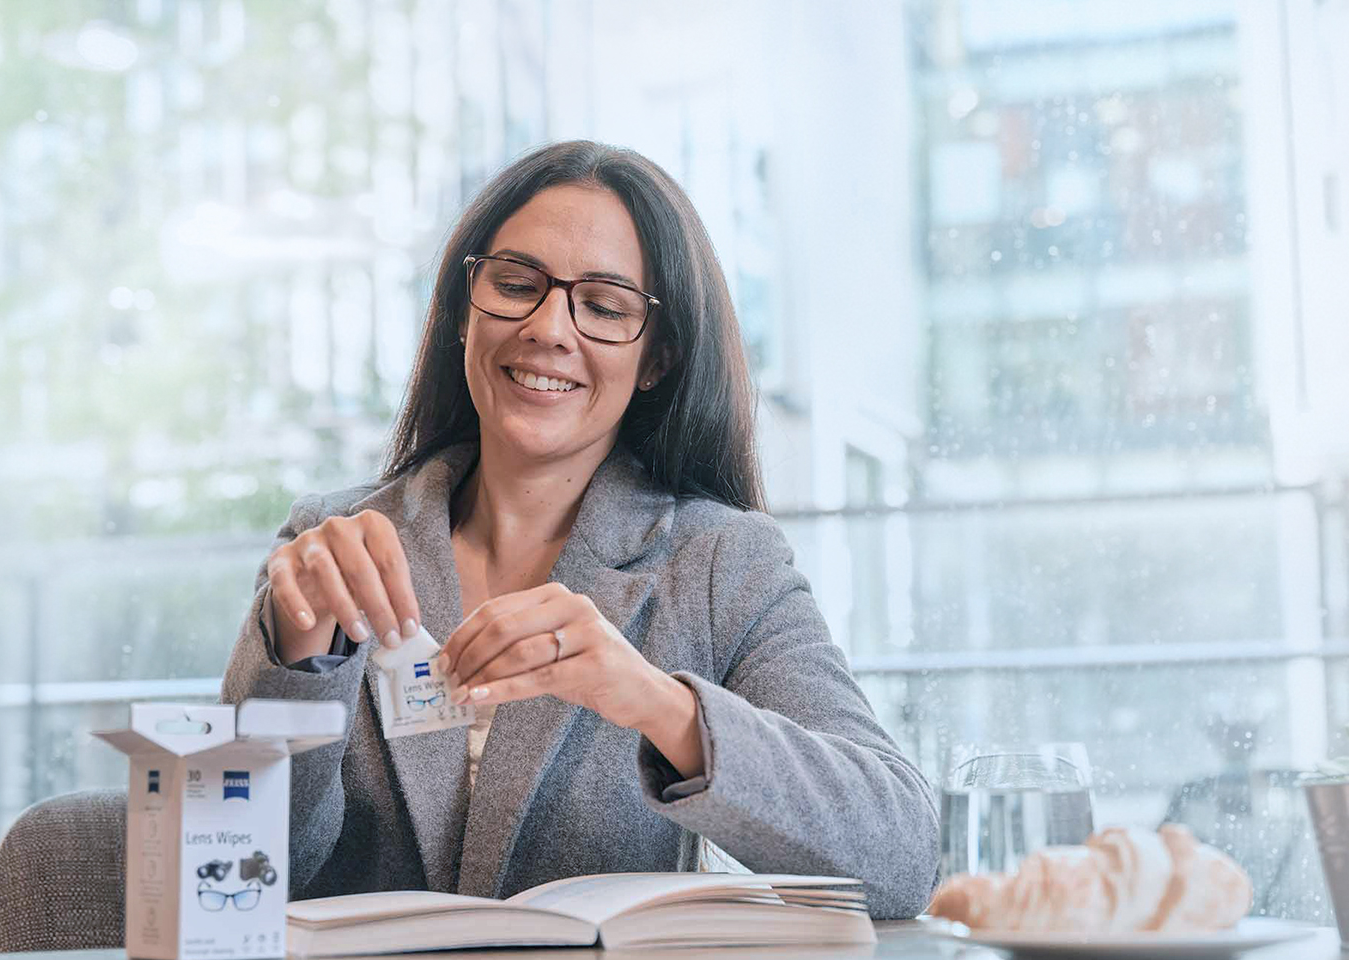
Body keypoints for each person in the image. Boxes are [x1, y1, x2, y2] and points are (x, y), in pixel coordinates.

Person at [219, 140, 938, 919]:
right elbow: (232, 865)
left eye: (603, 306)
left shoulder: (718, 564)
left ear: (655, 358)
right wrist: (297, 661)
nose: (549, 328)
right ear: (466, 310)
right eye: (517, 284)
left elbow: (898, 856)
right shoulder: (332, 541)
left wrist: (652, 702)